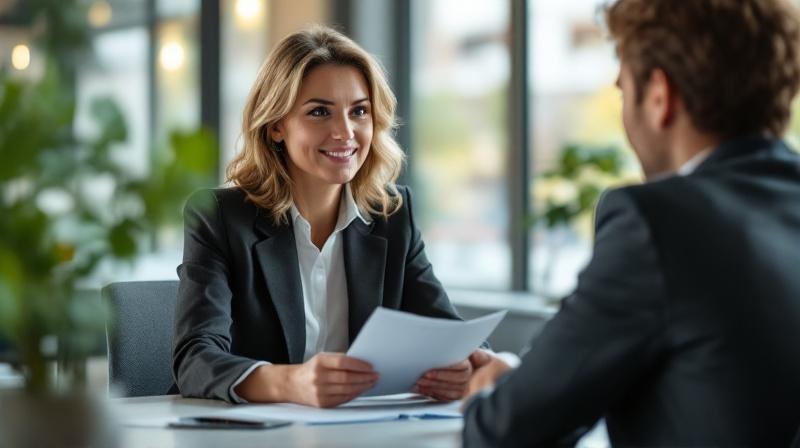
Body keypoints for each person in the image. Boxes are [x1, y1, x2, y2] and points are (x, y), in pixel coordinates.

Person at [462, 0, 800, 445]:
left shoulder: (659, 222)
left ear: (659, 97)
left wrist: (492, 394)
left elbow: (505, 431)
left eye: (623, 91)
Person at [172, 25, 478, 407]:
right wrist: (292, 383)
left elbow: (447, 334)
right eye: (319, 112)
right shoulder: (219, 217)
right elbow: (195, 359)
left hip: (362, 430)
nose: (345, 132)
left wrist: (463, 366)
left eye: (359, 111)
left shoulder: (392, 214)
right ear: (276, 126)